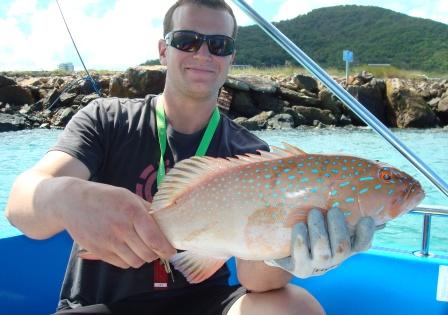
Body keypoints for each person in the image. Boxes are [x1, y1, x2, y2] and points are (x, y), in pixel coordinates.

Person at [5, 1, 375, 314]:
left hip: (204, 300)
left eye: (219, 45)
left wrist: (293, 256)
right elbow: (22, 207)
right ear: (164, 50)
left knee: (296, 306)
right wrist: (66, 196)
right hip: (102, 303)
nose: (203, 54)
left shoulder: (254, 155)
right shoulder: (106, 118)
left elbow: (254, 279)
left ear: (231, 57)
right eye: (187, 41)